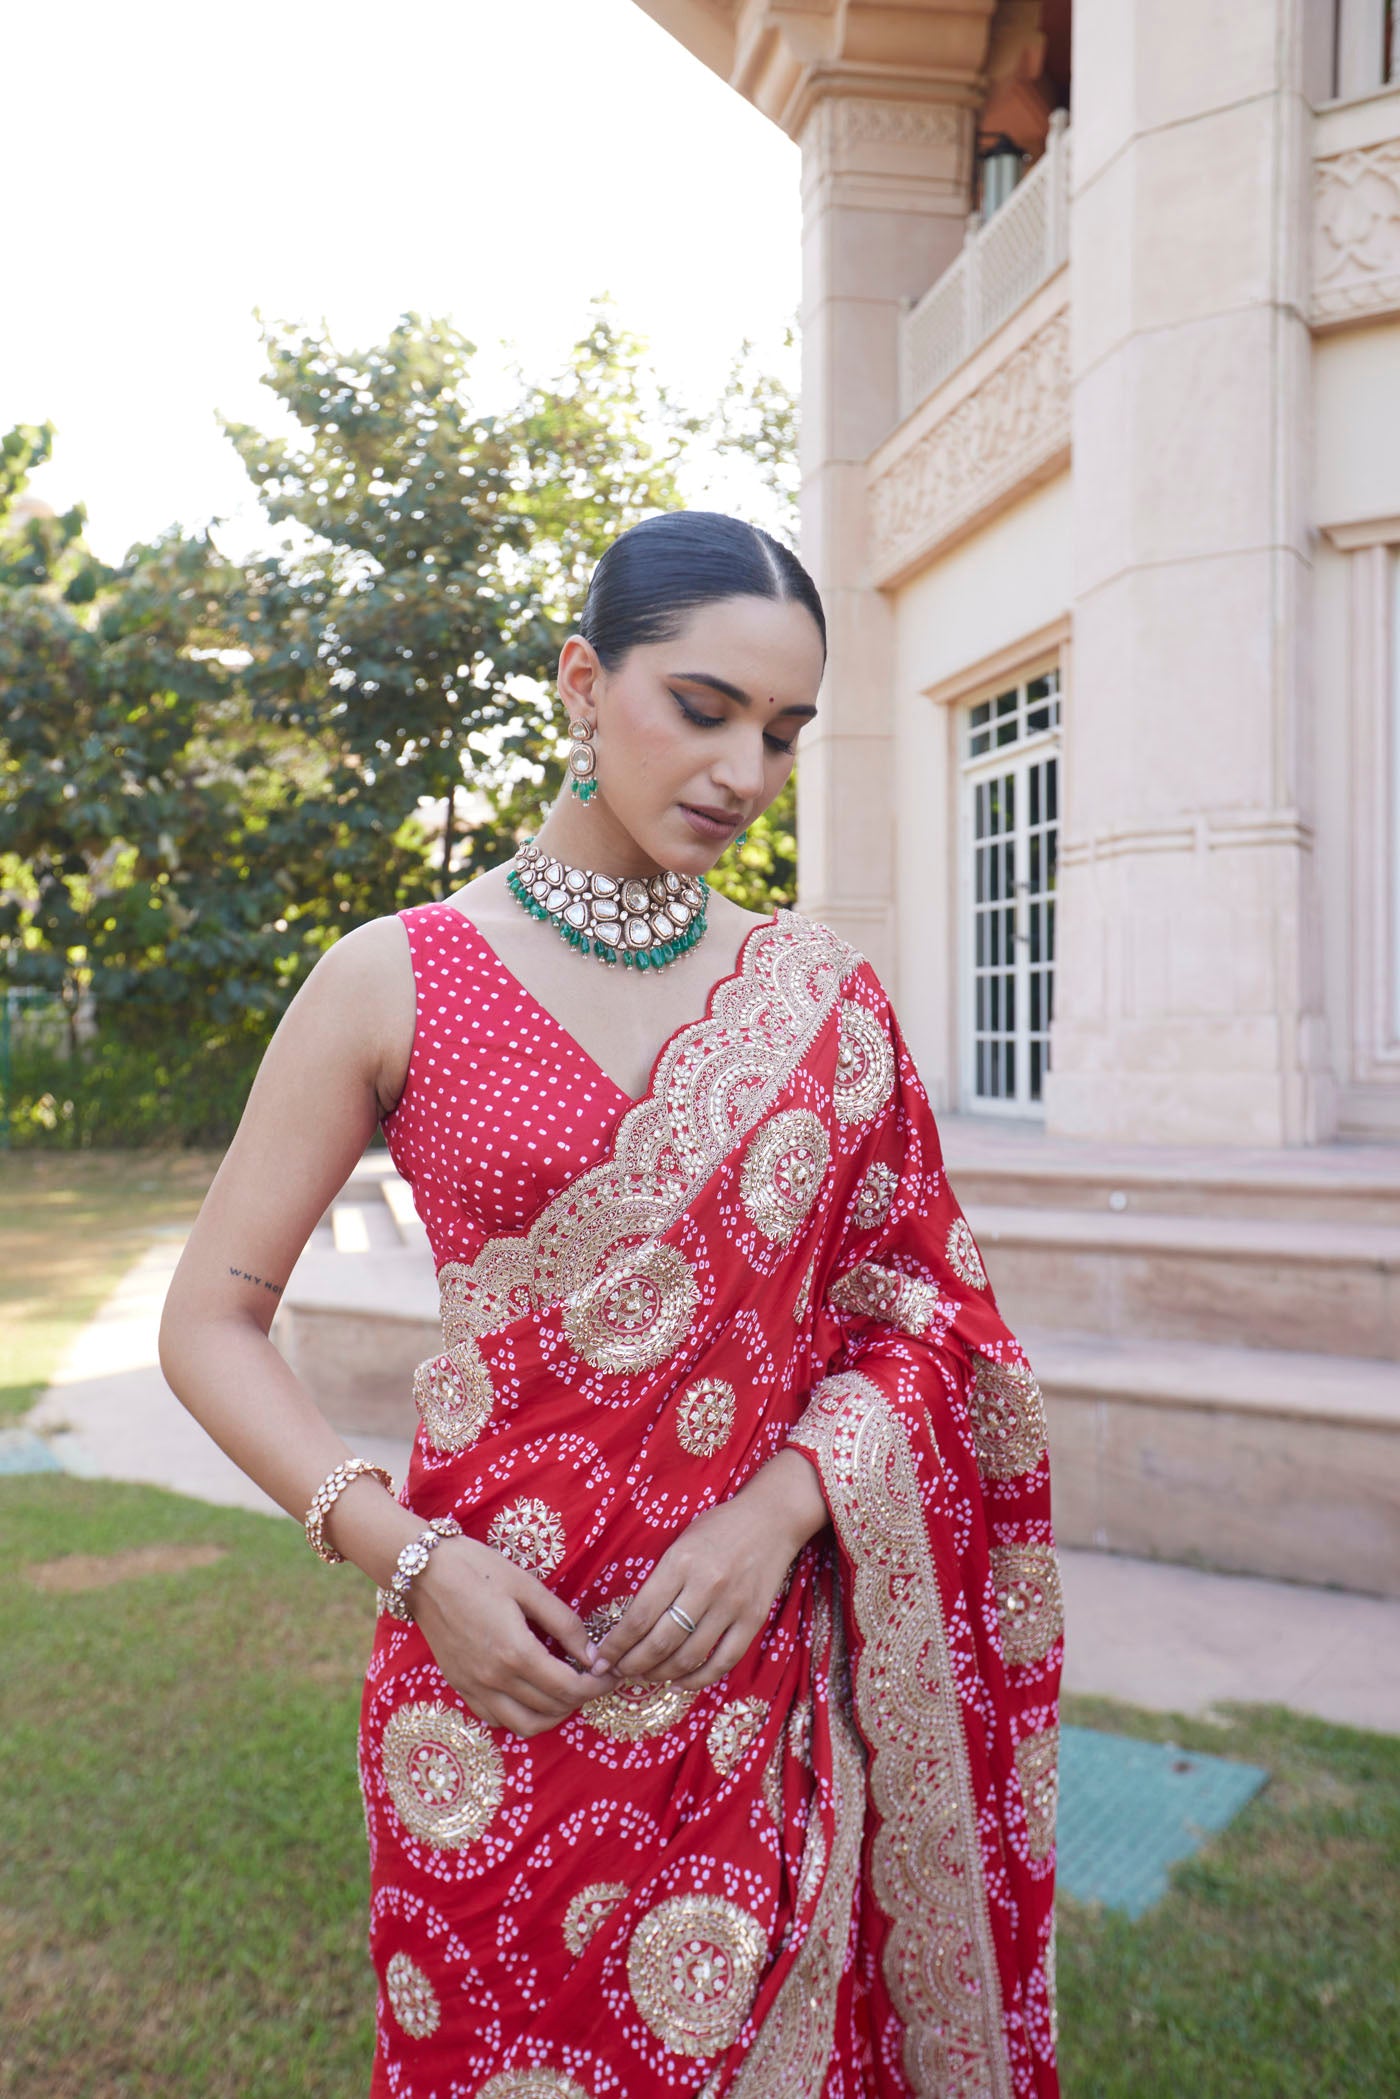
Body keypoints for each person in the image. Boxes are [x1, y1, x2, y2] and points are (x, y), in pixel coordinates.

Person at [159, 509, 1062, 2098]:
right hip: (483, 1693)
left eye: (782, 736)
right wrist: (412, 1561)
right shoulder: (399, 975)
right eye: (702, 710)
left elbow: (926, 1320)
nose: (742, 774)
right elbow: (210, 1321)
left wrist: (782, 1511)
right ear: (584, 682)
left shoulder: (819, 997)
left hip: (750, 1684)